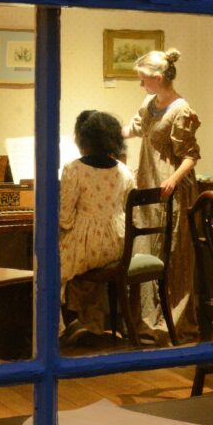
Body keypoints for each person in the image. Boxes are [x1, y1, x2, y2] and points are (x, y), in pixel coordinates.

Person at [124, 47, 200, 341]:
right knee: (145, 248)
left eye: (144, 79)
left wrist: (173, 180)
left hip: (171, 189)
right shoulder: (149, 102)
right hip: (148, 184)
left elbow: (191, 156)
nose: (140, 84)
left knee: (172, 253)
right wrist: (101, 135)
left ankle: (172, 324)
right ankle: (146, 321)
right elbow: (135, 128)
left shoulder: (181, 109)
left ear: (159, 78)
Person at [59, 110, 135, 342]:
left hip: (89, 246)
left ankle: (67, 322)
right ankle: (89, 322)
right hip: (117, 245)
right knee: (78, 266)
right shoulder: (124, 171)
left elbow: (65, 218)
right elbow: (129, 211)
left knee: (49, 263)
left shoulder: (73, 169)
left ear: (83, 138)